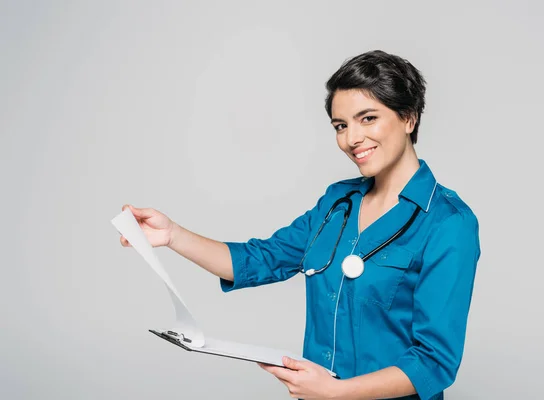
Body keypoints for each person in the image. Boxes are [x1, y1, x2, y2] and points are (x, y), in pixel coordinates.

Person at [120, 50, 481, 400]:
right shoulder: (336, 204)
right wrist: (172, 235)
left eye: (367, 118)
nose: (351, 139)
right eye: (341, 125)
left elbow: (434, 362)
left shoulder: (449, 223)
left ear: (408, 118)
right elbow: (260, 259)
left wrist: (336, 393)